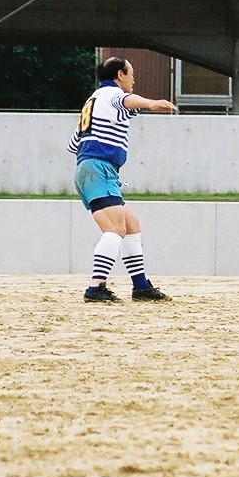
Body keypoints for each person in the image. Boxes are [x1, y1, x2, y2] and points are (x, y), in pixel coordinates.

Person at [70, 57, 179, 302]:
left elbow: (73, 143)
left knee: (131, 225)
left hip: (95, 168)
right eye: (131, 73)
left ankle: (141, 286)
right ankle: (95, 288)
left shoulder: (93, 101)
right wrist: (153, 104)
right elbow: (126, 100)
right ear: (120, 74)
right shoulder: (111, 94)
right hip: (99, 169)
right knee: (115, 229)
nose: (133, 78)